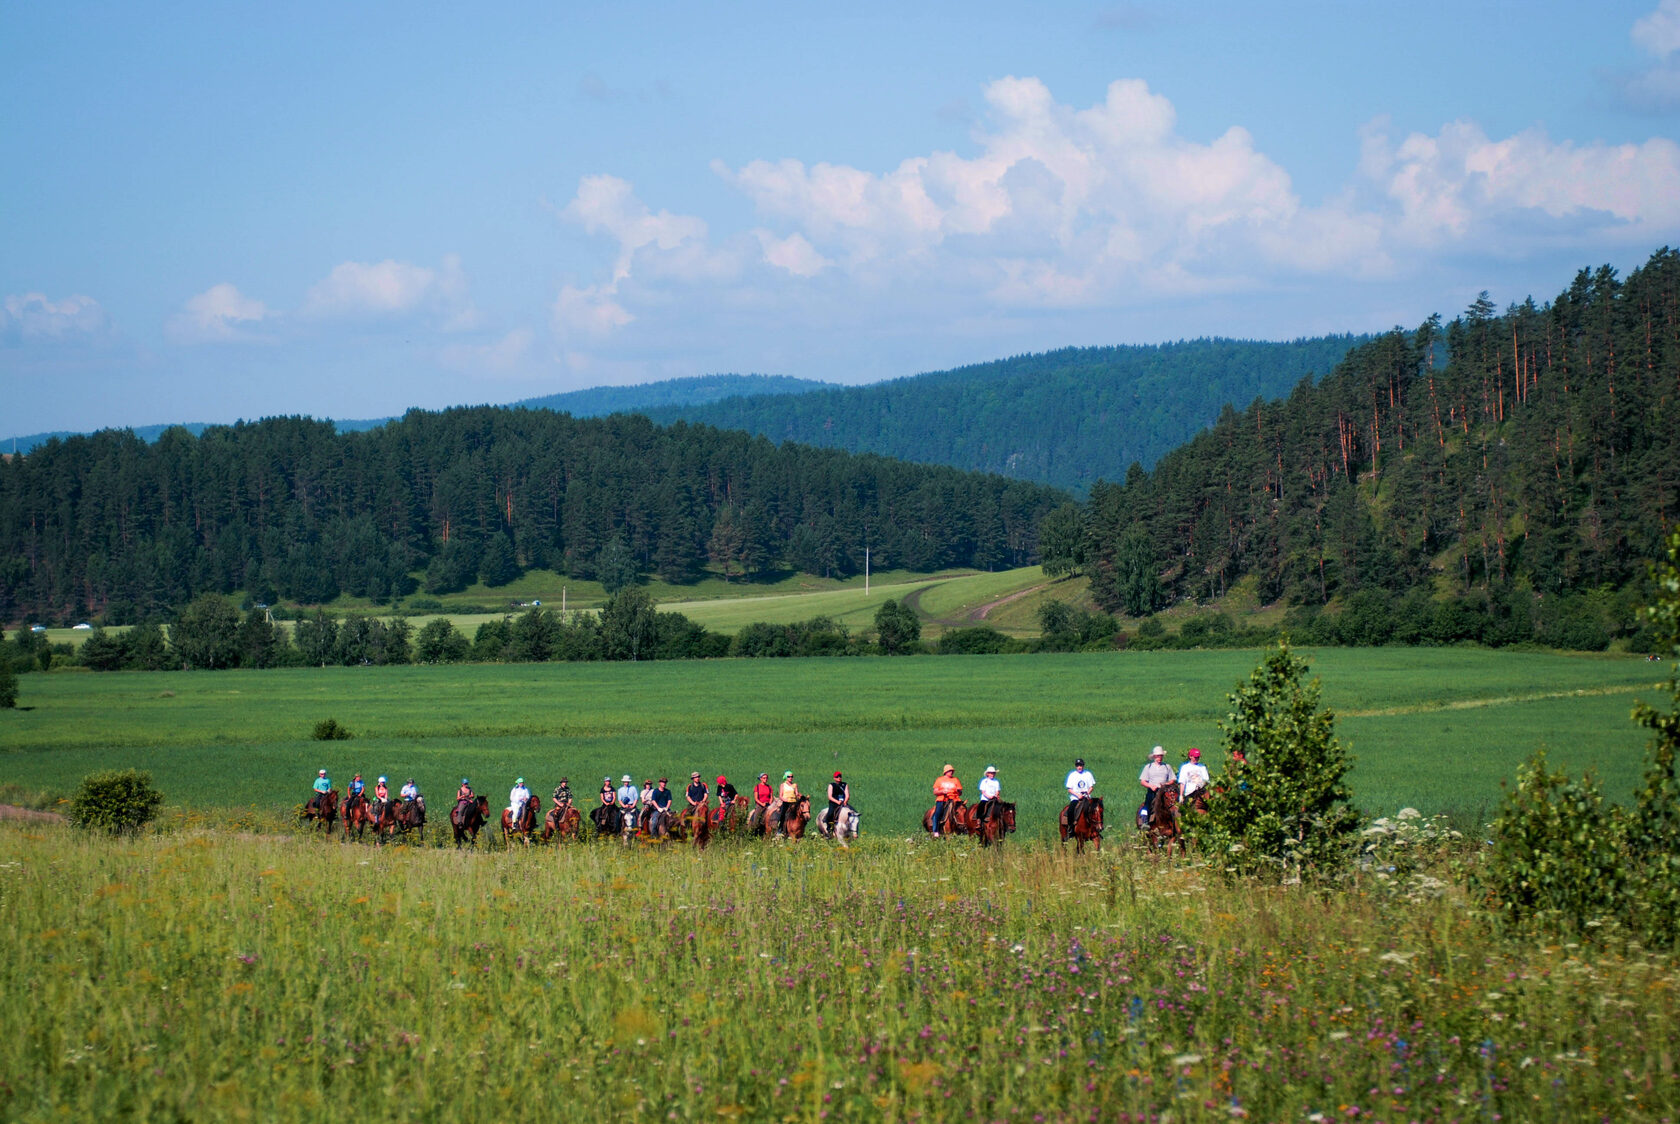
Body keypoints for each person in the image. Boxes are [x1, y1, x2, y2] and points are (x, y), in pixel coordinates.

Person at [1138, 746, 1174, 824]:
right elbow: (1143, 781)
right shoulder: (1148, 767)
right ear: (1154, 756)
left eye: (1161, 756)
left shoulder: (1167, 767)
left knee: (1173, 806)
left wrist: (1166, 784)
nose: (1159, 757)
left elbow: (1172, 780)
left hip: (1164, 791)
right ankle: (1144, 822)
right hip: (1153, 790)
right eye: (1158, 756)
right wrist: (1151, 786)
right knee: (1147, 805)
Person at [1064, 758, 1096, 832]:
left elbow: (1091, 787)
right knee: (1071, 810)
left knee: (1095, 810)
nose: (1079, 767)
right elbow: (1069, 789)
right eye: (1078, 765)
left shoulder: (1088, 774)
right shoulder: (1072, 775)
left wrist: (1087, 793)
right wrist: (1078, 795)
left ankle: (1096, 827)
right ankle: (1071, 827)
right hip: (1075, 797)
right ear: (1076, 766)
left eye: (1081, 765)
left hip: (1086, 797)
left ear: (1083, 766)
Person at [931, 764, 963, 837]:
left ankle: (963, 828)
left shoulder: (956, 780)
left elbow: (960, 792)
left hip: (955, 799)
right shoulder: (939, 780)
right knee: (938, 812)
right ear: (945, 772)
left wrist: (959, 791)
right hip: (943, 799)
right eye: (949, 771)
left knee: (962, 811)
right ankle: (935, 830)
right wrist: (942, 791)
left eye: (952, 771)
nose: (951, 772)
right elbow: (935, 792)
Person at [773, 771, 801, 835]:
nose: (790, 778)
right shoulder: (783, 785)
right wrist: (784, 799)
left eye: (792, 777)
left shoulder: (795, 785)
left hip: (793, 802)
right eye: (789, 777)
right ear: (786, 777)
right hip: (786, 802)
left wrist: (801, 796)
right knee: (783, 815)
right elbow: (780, 795)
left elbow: (796, 793)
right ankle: (780, 830)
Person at [824, 771, 850, 835]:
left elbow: (847, 795)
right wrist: (837, 802)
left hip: (843, 803)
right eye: (837, 777)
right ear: (834, 778)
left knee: (852, 813)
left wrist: (845, 801)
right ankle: (829, 828)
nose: (839, 778)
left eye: (840, 776)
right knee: (830, 813)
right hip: (834, 803)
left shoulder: (845, 785)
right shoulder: (831, 785)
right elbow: (829, 796)